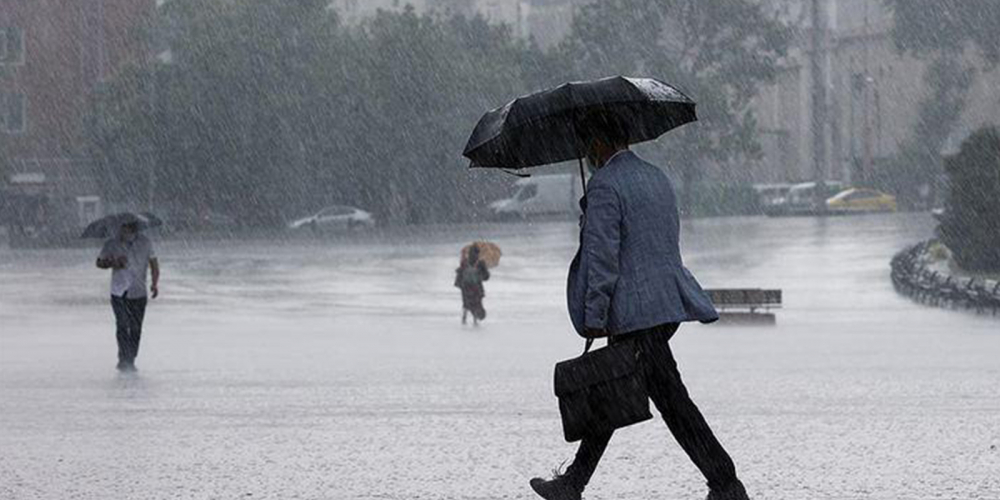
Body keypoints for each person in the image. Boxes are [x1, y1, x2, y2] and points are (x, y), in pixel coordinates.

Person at [529, 111, 749, 500]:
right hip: (665, 306)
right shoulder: (657, 177)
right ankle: (573, 482)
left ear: (598, 142)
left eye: (587, 145)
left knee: (669, 401)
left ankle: (726, 482)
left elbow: (602, 259)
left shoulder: (605, 187)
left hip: (633, 313)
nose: (586, 153)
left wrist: (594, 316)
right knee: (616, 390)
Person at [96, 219, 159, 372]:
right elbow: (99, 262)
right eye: (122, 228)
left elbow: (154, 264)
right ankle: (123, 358)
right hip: (119, 291)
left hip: (138, 291)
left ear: (134, 229)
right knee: (123, 324)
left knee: (136, 327)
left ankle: (131, 358)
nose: (124, 232)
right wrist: (113, 263)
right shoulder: (111, 244)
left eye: (127, 229)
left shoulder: (146, 243)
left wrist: (154, 283)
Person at [455, 244, 490, 326]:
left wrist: (460, 284)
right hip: (476, 287)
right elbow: (486, 277)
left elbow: (459, 274)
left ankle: (464, 319)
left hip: (466, 287)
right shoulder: (481, 262)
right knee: (476, 303)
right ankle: (475, 320)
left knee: (466, 303)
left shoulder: (464, 262)